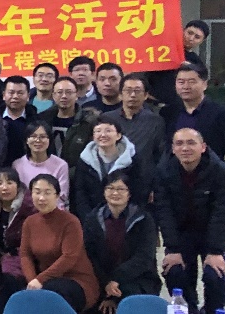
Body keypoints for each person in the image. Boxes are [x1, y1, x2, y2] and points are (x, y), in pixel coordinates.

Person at [153, 128, 225, 314]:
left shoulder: (221, 171)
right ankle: (188, 309)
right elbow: (164, 210)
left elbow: (223, 211)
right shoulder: (163, 171)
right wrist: (173, 249)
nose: (185, 148)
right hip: (184, 230)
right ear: (173, 149)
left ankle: (213, 310)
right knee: (175, 271)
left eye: (191, 143)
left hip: (221, 230)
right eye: (179, 143)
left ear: (203, 147)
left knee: (214, 274)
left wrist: (215, 251)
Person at [82, 170, 160, 314]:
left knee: (129, 299)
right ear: (104, 192)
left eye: (121, 189)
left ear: (129, 193)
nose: (115, 193)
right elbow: (90, 256)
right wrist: (107, 285)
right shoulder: (92, 219)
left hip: (137, 279)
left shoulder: (143, 219)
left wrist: (115, 280)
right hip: (101, 280)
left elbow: (144, 257)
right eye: (110, 188)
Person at [20, 174, 99, 312]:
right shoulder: (29, 222)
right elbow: (25, 254)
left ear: (57, 196)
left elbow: (70, 257)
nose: (41, 198)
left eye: (47, 193)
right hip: (45, 280)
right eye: (37, 192)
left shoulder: (70, 221)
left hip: (76, 280)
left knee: (52, 293)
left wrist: (40, 280)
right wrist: (32, 281)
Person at [160, 63, 225, 186]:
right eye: (181, 82)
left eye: (192, 81)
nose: (186, 86)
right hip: (174, 182)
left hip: (211, 181)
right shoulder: (168, 113)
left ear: (204, 84)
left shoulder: (223, 114)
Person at [0, 167, 37, 314]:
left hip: (24, 262)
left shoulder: (29, 209)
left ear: (18, 185)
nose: (4, 187)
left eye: (9, 182)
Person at [71, 115, 145, 217]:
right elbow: (80, 193)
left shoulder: (132, 159)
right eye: (98, 131)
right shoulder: (85, 160)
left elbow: (138, 191)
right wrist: (89, 219)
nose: (103, 135)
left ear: (118, 135)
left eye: (108, 131)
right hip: (92, 215)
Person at [102, 74, 165, 175]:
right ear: (120, 94)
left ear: (145, 95)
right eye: (128, 91)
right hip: (112, 176)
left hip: (145, 176)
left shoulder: (155, 121)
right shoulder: (107, 119)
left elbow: (160, 154)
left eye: (137, 91)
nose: (132, 95)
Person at [37, 76, 99, 167]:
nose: (64, 96)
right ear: (53, 95)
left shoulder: (89, 121)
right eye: (59, 92)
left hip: (78, 172)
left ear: (76, 95)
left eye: (69, 92)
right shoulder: (42, 120)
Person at [148, 20, 210, 105]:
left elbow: (202, 80)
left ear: (202, 41)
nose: (191, 38)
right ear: (183, 31)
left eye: (197, 37)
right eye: (189, 33)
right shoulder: (163, 49)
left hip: (176, 106)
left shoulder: (196, 62)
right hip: (149, 103)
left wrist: (190, 68)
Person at [11, 121, 70, 209]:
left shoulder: (61, 165)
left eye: (42, 137)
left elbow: (61, 197)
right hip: (22, 211)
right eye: (33, 136)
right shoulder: (17, 165)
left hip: (52, 211)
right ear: (27, 140)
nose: (38, 140)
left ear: (49, 140)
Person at [0, 75, 33, 165]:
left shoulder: (37, 121)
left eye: (20, 93)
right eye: (11, 92)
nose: (15, 97)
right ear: (4, 95)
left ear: (28, 96)